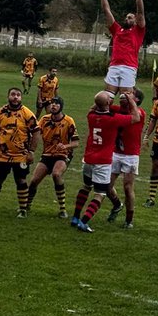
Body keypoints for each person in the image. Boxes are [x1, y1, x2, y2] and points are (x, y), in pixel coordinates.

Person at [71, 91, 141, 232]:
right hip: (102, 161)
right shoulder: (113, 119)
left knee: (86, 187)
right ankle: (84, 222)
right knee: (100, 194)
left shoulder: (91, 116)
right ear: (109, 103)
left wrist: (104, 96)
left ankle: (76, 217)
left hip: (88, 158)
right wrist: (129, 98)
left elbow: (94, 107)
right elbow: (136, 117)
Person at [0, 87, 40, 215]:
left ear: (21, 98)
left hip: (20, 155)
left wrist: (31, 151)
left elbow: (36, 132)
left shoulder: (27, 113)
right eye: (13, 94)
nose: (15, 97)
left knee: (21, 181)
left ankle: (22, 209)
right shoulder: (0, 112)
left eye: (18, 95)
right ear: (8, 96)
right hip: (2, 154)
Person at [26, 96, 78, 217]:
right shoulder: (44, 120)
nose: (53, 106)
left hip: (63, 155)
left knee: (56, 174)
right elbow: (35, 134)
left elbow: (76, 143)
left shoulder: (69, 121)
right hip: (47, 154)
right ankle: (26, 205)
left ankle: (63, 209)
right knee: (34, 181)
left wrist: (65, 146)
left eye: (56, 104)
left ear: (61, 106)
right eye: (52, 104)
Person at [100, 0, 146, 92]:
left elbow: (140, 11)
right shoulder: (117, 30)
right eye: (126, 17)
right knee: (107, 98)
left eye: (130, 17)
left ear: (135, 20)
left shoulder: (138, 30)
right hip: (114, 66)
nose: (126, 19)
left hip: (129, 67)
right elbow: (106, 10)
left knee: (125, 99)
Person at [109, 87, 145, 228]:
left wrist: (129, 100)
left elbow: (135, 114)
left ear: (136, 100)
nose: (125, 95)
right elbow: (100, 104)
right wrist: (112, 93)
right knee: (107, 185)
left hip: (131, 156)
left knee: (128, 187)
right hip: (116, 153)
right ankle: (117, 204)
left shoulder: (140, 113)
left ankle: (129, 220)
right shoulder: (118, 109)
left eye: (130, 94)